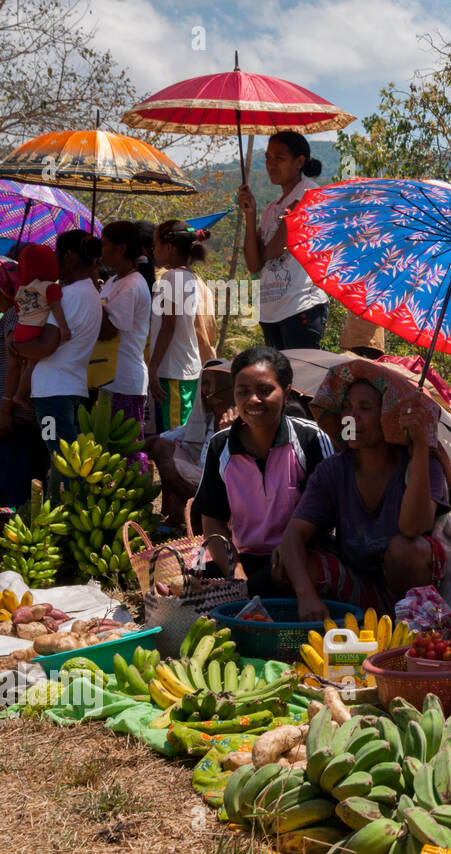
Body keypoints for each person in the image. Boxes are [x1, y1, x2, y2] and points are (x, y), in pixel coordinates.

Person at [277, 376, 451, 620]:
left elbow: (412, 528)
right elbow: (294, 534)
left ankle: (408, 624)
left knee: (405, 549)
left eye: (365, 408)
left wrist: (421, 448)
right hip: (359, 580)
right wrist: (306, 595)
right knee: (289, 561)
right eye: (347, 407)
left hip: (414, 588)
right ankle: (350, 620)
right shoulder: (333, 470)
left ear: (390, 417)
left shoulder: (423, 463)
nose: (352, 417)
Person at [192, 346, 336, 595]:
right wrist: (234, 572)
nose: (253, 400)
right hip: (246, 559)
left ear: (287, 392)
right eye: (243, 391)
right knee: (190, 585)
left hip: (302, 558)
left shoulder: (310, 439)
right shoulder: (221, 445)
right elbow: (213, 520)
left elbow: (328, 514)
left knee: (261, 589)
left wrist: (291, 549)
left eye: (265, 390)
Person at [237, 132, 329, 351]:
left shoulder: (309, 192)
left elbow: (275, 249)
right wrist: (251, 214)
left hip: (300, 306)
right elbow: (253, 265)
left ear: (299, 162)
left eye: (279, 158)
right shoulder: (271, 209)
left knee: (300, 380)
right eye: (268, 157)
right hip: (271, 311)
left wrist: (264, 250)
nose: (271, 164)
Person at [16, 230, 103, 456]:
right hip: (73, 387)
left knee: (59, 456)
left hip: (51, 393)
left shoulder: (67, 295)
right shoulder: (92, 293)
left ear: (69, 256)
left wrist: (16, 347)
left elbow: (46, 346)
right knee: (72, 457)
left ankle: (62, 492)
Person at [148, 360, 235, 533]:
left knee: (168, 461)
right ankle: (177, 516)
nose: (207, 390)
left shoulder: (239, 420)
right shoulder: (206, 421)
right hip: (202, 482)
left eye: (213, 383)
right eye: (204, 383)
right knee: (161, 446)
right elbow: (163, 438)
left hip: (229, 489)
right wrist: (120, 448)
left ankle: (201, 517)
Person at [98, 221, 154, 470]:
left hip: (124, 378)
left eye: (105, 244)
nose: (101, 250)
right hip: (107, 375)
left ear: (120, 248)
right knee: (105, 449)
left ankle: (136, 499)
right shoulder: (113, 281)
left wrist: (90, 296)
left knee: (125, 451)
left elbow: (109, 331)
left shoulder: (132, 284)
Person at [0, 258, 49, 505]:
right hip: (31, 407)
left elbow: (15, 363)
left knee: (14, 474)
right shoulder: (33, 308)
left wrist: (6, 406)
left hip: (16, 411)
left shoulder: (12, 315)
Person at [150, 221, 206, 432]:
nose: (153, 250)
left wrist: (153, 368)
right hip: (182, 370)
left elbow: (168, 327)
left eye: (156, 244)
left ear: (169, 247)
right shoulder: (188, 275)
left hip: (174, 372)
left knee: (174, 441)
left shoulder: (172, 276)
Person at [5, 245, 71, 410]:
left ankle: (21, 393)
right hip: (35, 330)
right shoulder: (51, 287)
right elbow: (56, 308)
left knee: (27, 364)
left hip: (21, 329)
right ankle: (20, 395)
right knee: (32, 365)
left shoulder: (22, 289)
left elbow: (19, 309)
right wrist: (63, 328)